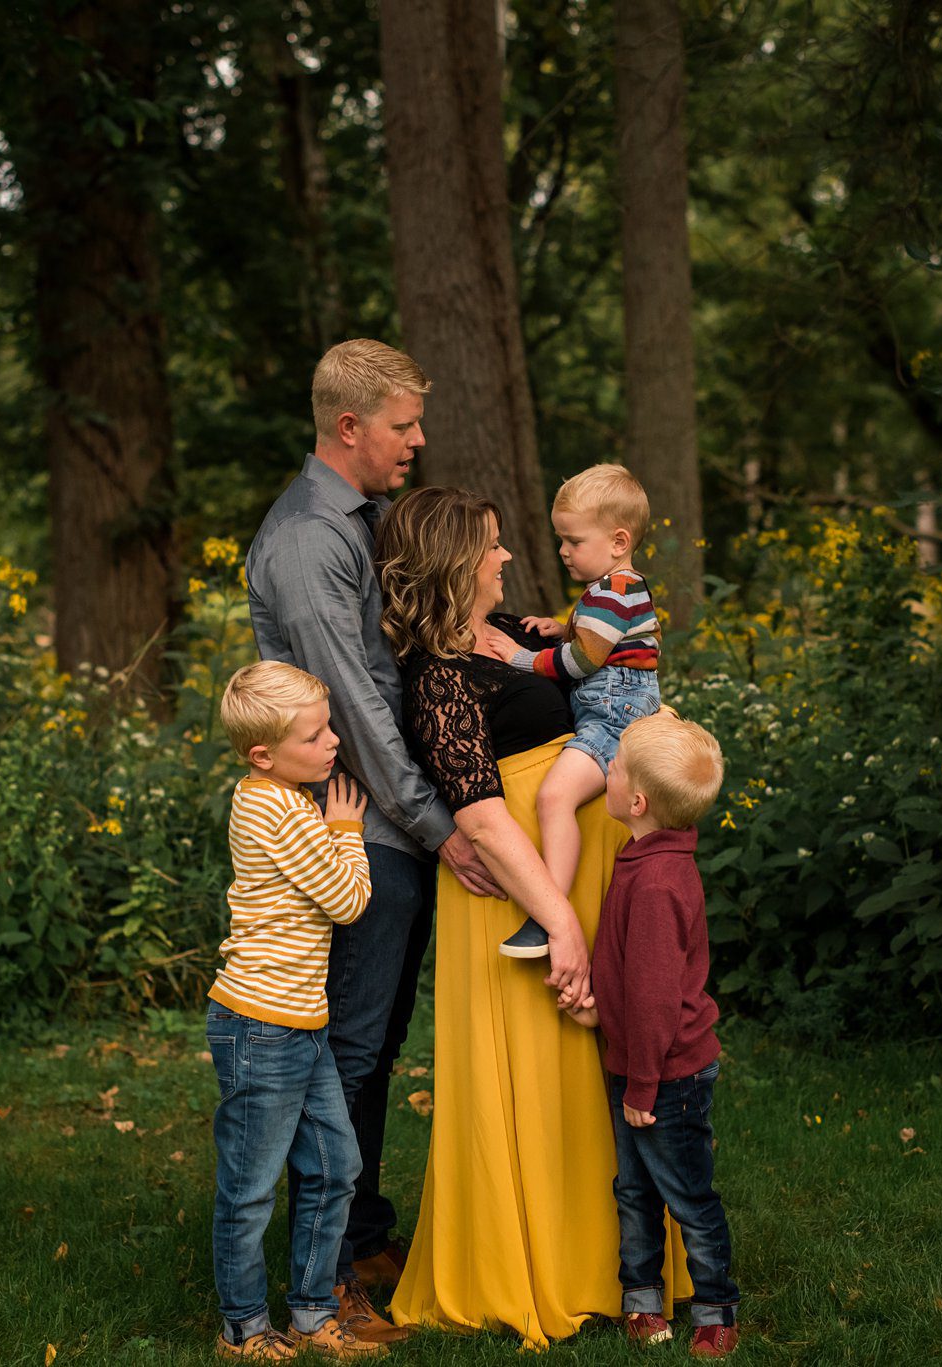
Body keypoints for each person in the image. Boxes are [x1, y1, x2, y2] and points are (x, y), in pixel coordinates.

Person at [376, 486, 689, 1349]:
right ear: (450, 564)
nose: (507, 557)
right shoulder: (438, 676)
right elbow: (478, 817)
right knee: (538, 1066)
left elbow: (598, 657)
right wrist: (560, 923)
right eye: (490, 545)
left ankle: (620, 1265)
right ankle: (532, 1264)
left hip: (576, 879)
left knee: (601, 1075)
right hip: (518, 898)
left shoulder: (512, 630)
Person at [244, 339, 501, 1335]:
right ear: (347, 427)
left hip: (388, 829)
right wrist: (439, 828)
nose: (417, 440)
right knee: (346, 1053)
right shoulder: (310, 540)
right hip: (356, 834)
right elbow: (352, 705)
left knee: (373, 1045)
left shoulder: (367, 523)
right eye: (402, 425)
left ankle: (360, 1230)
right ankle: (328, 1277)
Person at [204, 661, 386, 1361]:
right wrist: (346, 829)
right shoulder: (275, 808)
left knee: (335, 1164)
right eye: (316, 735)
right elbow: (348, 901)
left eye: (329, 725)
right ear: (264, 754)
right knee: (250, 1187)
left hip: (300, 1022)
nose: (334, 742)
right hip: (260, 1024)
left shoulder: (284, 796)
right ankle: (243, 1326)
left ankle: (312, 1313)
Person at [568, 710, 741, 1358]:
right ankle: (642, 1300)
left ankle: (716, 1307)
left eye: (611, 765)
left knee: (689, 1195)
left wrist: (641, 1084)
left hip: (666, 1071)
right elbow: (627, 971)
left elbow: (653, 1000)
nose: (603, 768)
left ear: (635, 800)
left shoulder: (657, 883)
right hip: (640, 1060)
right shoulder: (646, 853)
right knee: (634, 1189)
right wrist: (598, 1012)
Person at [488, 464, 662, 958]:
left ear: (618, 539)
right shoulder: (616, 589)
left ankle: (548, 916)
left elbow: (585, 660)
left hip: (614, 714)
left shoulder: (613, 590)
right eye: (560, 538)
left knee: (554, 798)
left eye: (573, 540)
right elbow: (601, 641)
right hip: (612, 706)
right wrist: (560, 629)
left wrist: (523, 658)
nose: (563, 550)